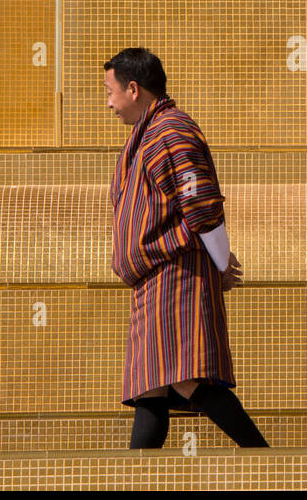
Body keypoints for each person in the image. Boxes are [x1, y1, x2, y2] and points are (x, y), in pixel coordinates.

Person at [104, 47, 268, 449]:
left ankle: (266, 459)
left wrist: (218, 260)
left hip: (176, 273)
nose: (108, 103)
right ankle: (138, 480)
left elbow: (200, 201)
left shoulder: (171, 131)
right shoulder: (149, 134)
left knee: (183, 374)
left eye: (109, 92)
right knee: (151, 385)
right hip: (153, 277)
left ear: (133, 88)